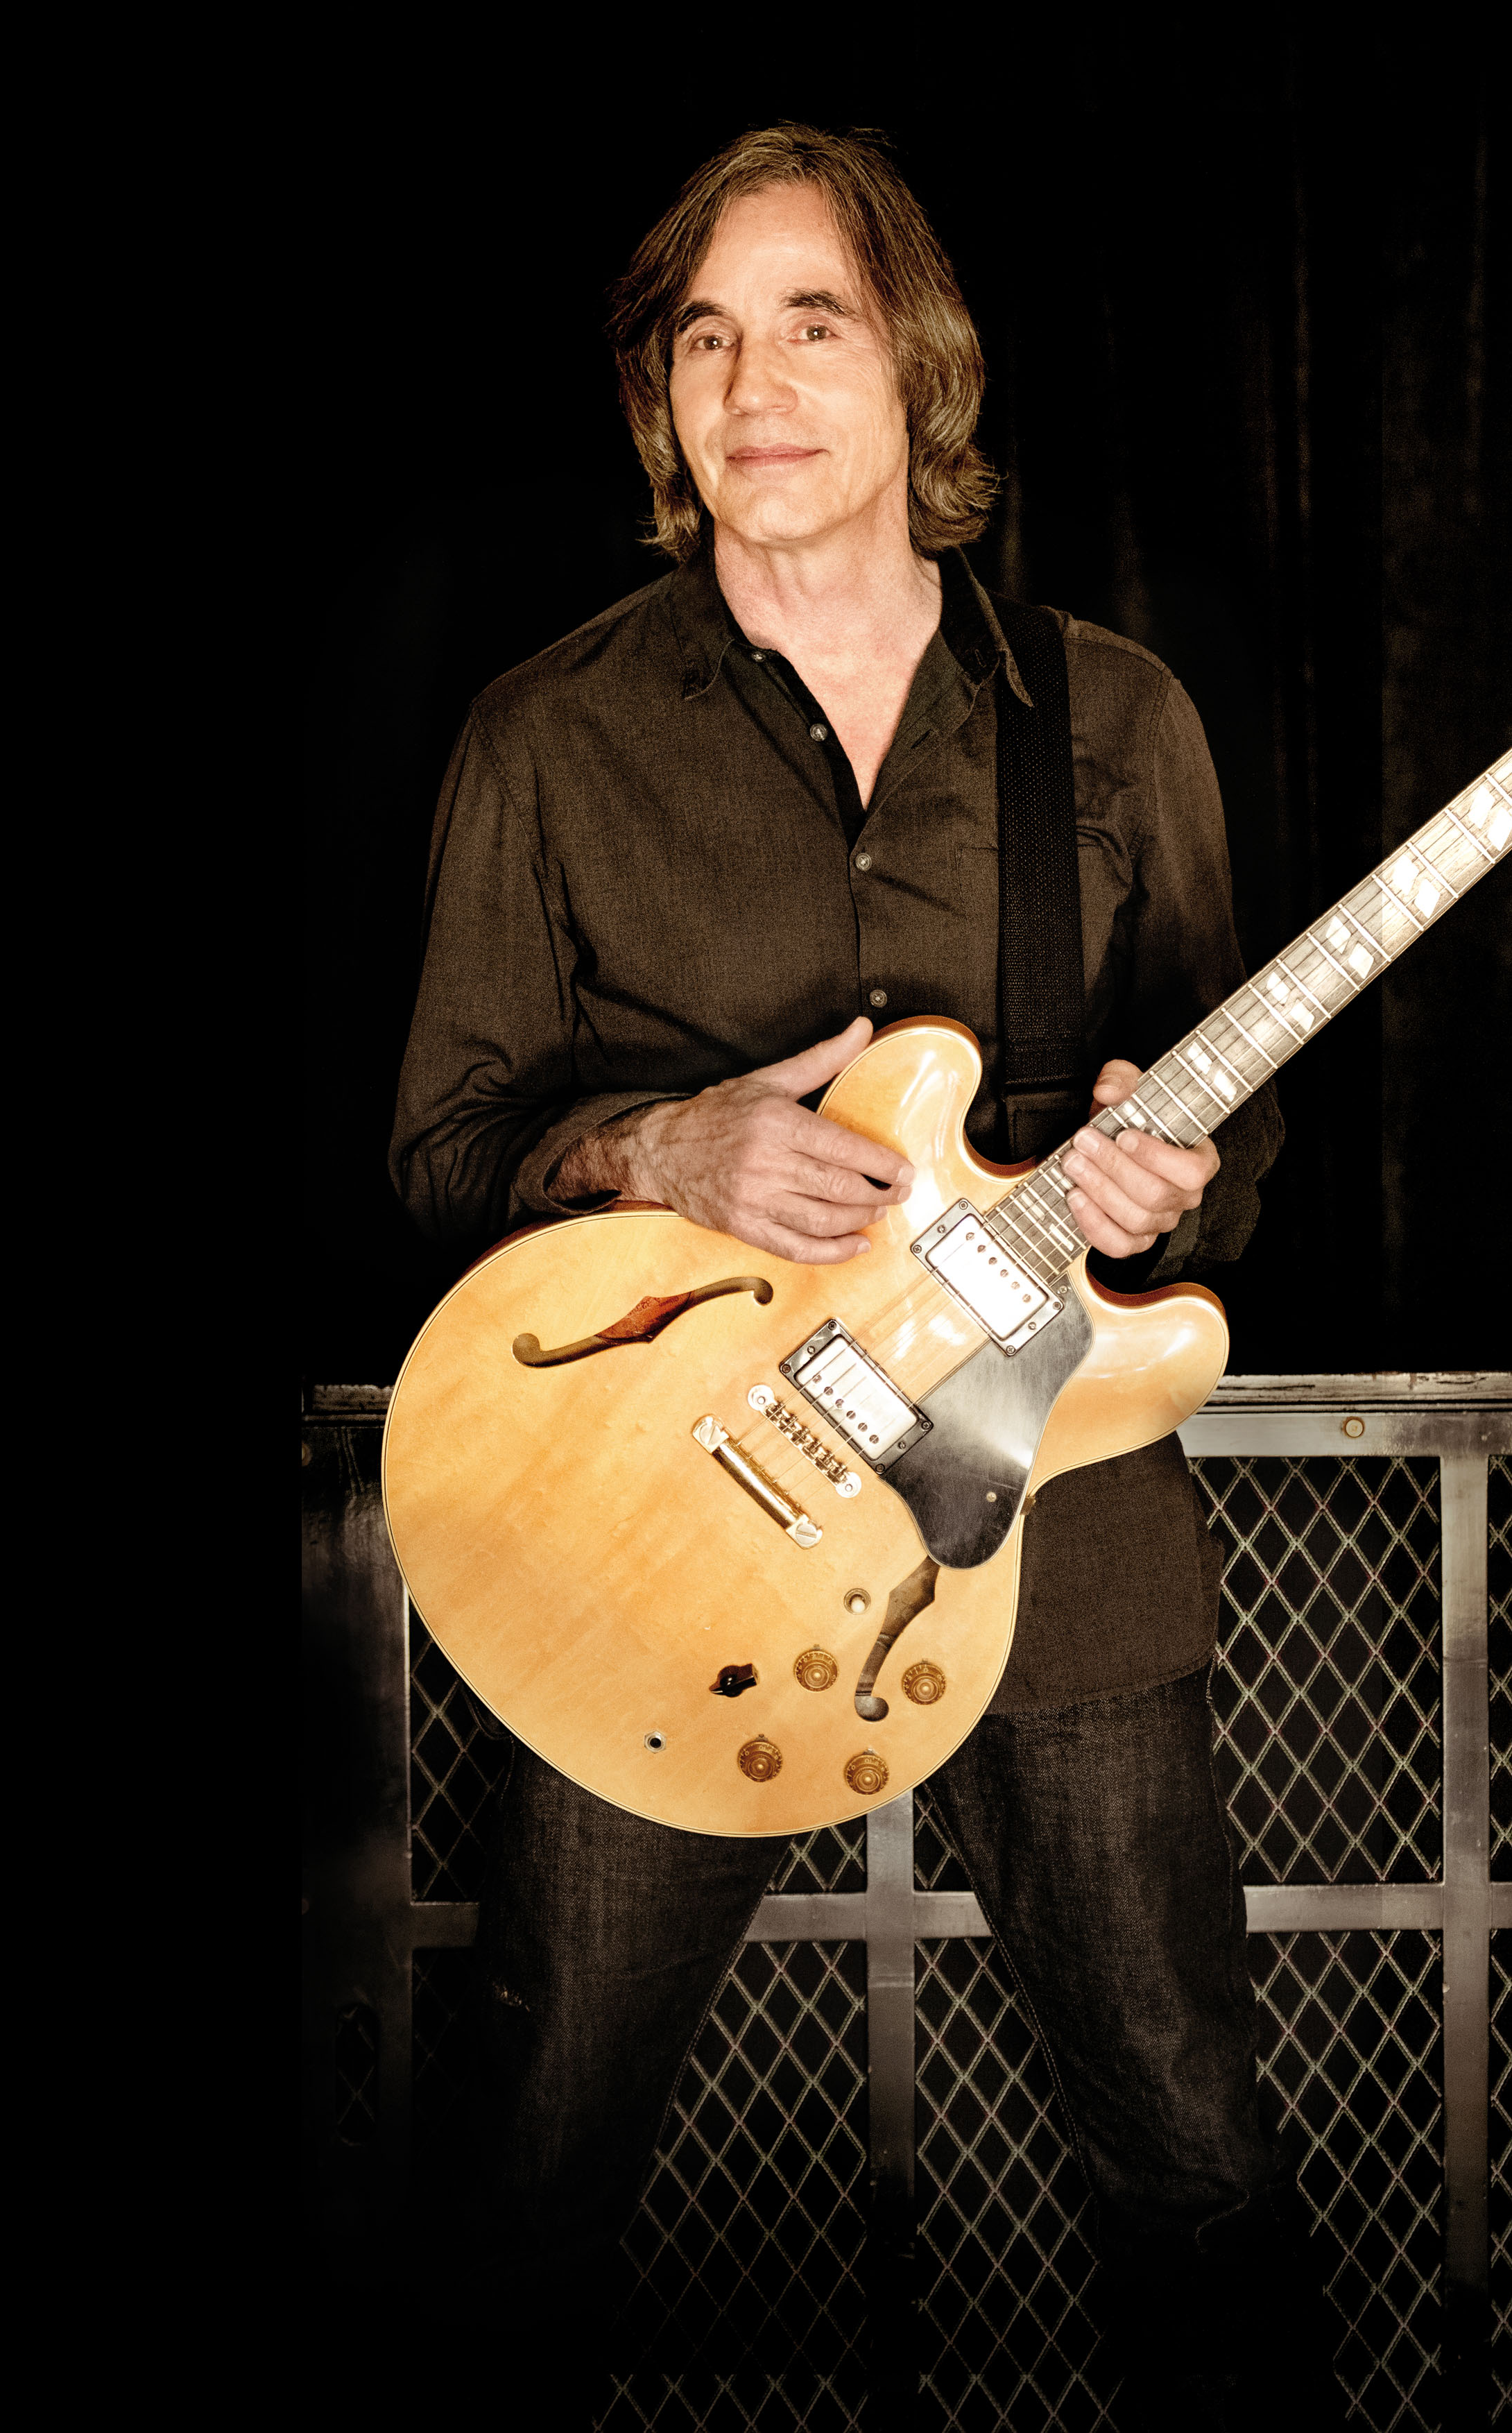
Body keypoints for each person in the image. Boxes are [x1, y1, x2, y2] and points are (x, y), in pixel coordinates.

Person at [389, 123, 1341, 2430]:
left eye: (809, 323)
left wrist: (1175, 1179)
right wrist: (657, 1147)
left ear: (917, 364)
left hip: (1055, 1525)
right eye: (703, 337)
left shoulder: (1113, 720)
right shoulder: (545, 735)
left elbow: (1240, 1158)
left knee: (1198, 2171)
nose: (752, 385)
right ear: (661, 394)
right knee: (525, 2189)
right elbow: (442, 1155)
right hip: (660, 1535)